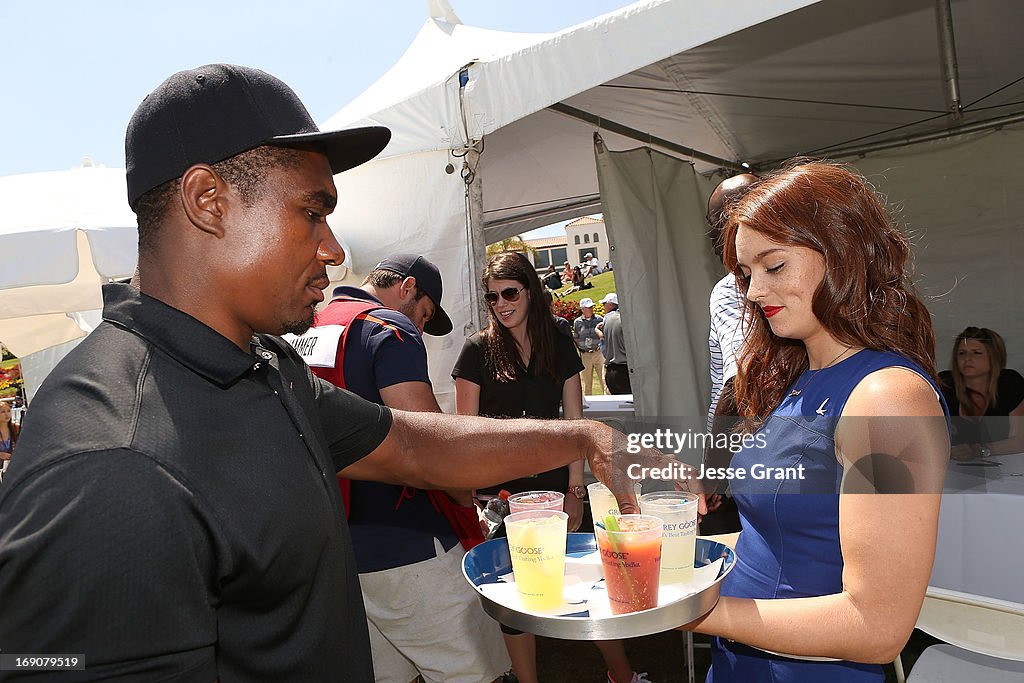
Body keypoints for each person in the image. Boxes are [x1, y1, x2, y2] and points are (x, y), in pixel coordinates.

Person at [0, 64, 681, 682]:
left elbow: (414, 445)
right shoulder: (111, 456)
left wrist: (585, 437)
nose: (334, 248)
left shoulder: (265, 368)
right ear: (207, 200)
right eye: (312, 211)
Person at [683, 160, 949, 681]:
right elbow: (775, 538)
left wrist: (689, 610)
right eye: (746, 273)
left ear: (842, 254)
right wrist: (661, 552)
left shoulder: (890, 399)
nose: (754, 291)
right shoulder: (793, 377)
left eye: (774, 266)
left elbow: (876, 626)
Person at [285, 253, 510, 683]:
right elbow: (430, 446)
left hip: (333, 543)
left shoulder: (309, 327)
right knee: (476, 672)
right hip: (406, 540)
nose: (421, 327)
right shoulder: (386, 326)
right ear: (407, 289)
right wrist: (467, 492)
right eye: (424, 315)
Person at [453, 252, 650, 683]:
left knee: (591, 579)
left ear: (530, 292)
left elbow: (574, 422)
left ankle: (622, 675)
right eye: (492, 297)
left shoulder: (558, 339)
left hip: (557, 484)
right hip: (502, 493)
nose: (501, 304)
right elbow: (464, 433)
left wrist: (574, 486)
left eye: (509, 293)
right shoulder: (476, 349)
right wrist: (479, 496)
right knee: (515, 592)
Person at [939, 326, 1024, 459]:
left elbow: (1020, 440)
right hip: (953, 468)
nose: (967, 359)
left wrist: (979, 450)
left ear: (994, 356)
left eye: (976, 353)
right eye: (962, 353)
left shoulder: (1009, 383)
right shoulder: (945, 384)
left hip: (1006, 467)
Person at [597, 293, 631, 395]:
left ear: (610, 305)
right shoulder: (625, 317)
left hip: (613, 370)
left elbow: (604, 349)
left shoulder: (606, 319)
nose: (603, 306)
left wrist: (598, 333)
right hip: (626, 370)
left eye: (604, 304)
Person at [573, 297, 605, 395]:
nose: (591, 309)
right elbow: (576, 337)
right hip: (585, 355)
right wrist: (581, 348)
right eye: (588, 307)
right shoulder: (577, 322)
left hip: (598, 353)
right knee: (587, 383)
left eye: (591, 307)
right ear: (582, 309)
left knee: (604, 380)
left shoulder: (600, 319)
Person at [0, 399, 18, 471]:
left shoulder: (16, 428)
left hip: (13, 467)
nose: (7, 414)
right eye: (3, 412)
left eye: (8, 411)